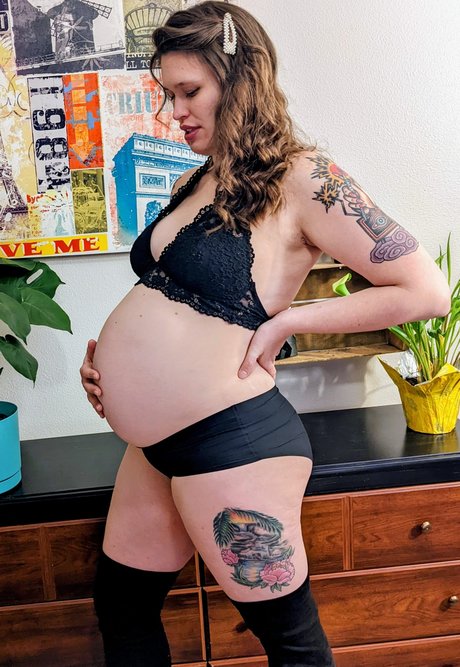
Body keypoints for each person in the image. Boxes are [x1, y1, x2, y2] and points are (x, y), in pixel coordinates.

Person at [79, 2, 451, 665]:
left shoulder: (304, 177)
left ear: (239, 79)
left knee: (291, 645)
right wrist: (111, 369)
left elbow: (424, 290)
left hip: (231, 442)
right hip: (154, 447)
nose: (174, 112)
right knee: (122, 606)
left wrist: (288, 321)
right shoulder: (199, 179)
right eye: (168, 94)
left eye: (189, 91)